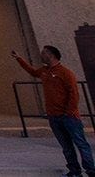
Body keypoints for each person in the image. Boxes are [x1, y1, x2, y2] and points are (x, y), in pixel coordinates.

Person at [15, 45, 95, 177]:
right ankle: (74, 171)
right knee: (66, 146)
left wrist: (69, 112)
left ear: (50, 55)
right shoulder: (45, 71)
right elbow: (33, 72)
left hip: (68, 117)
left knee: (80, 143)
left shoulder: (65, 73)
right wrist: (19, 59)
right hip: (54, 116)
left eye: (43, 53)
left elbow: (73, 94)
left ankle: (91, 170)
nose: (41, 55)